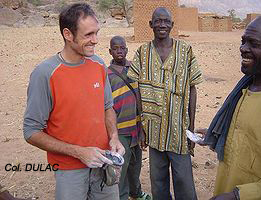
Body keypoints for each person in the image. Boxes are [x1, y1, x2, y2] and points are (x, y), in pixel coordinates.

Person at [23, 3, 125, 200]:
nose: (95, 40)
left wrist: (113, 137)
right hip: (69, 171)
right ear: (68, 34)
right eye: (88, 35)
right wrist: (79, 153)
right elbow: (31, 132)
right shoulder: (45, 74)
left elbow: (107, 108)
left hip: (105, 164)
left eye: (96, 33)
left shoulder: (98, 64)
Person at [196, 15, 261, 200]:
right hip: (225, 187)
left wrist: (237, 196)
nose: (243, 48)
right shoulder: (246, 87)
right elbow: (249, 140)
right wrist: (221, 134)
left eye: (253, 43)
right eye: (243, 41)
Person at [127, 7, 202, 200]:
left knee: (184, 182)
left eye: (166, 21)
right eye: (158, 21)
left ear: (172, 25)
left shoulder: (185, 51)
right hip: (153, 131)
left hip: (179, 130)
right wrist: (140, 126)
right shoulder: (143, 53)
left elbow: (192, 89)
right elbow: (135, 91)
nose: (162, 25)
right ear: (151, 25)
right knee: (158, 182)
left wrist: (191, 127)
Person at [107, 36, 151, 200]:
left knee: (135, 164)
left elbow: (140, 94)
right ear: (110, 51)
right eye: (115, 48)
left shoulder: (134, 68)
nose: (119, 51)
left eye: (122, 48)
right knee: (122, 165)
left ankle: (136, 193)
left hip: (136, 126)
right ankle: (122, 196)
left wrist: (143, 127)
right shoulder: (107, 74)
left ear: (126, 50)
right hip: (120, 130)